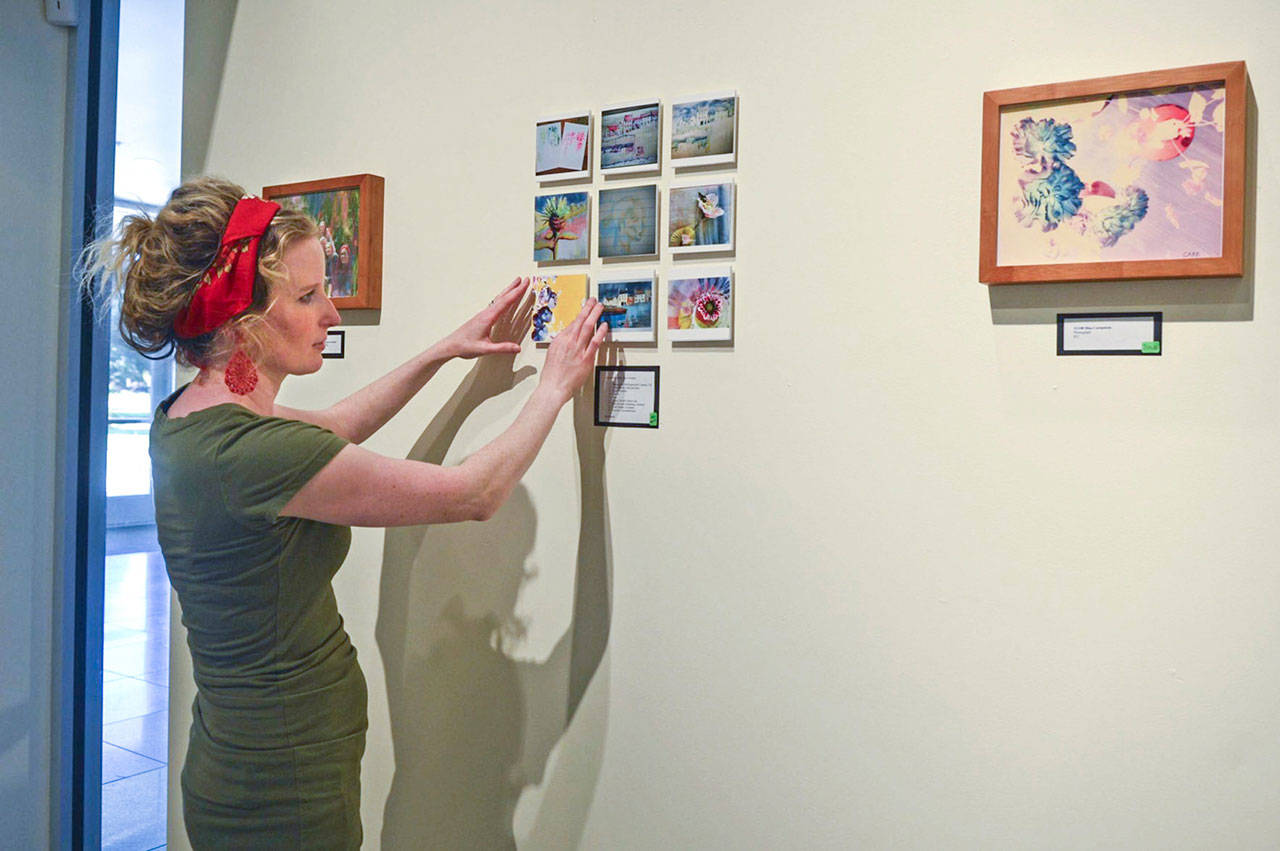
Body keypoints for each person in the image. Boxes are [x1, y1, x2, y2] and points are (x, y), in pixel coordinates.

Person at [83, 176, 606, 849]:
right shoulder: (251, 453)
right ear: (242, 323)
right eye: (307, 297)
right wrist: (555, 387)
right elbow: (476, 494)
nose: (331, 313)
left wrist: (445, 349)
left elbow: (336, 425)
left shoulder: (190, 420)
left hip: (248, 762)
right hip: (284, 788)